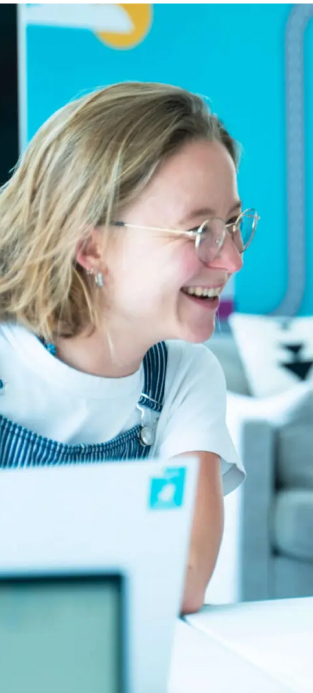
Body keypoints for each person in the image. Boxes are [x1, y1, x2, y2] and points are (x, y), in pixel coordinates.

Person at [0, 82, 258, 613]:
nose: (232, 260)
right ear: (91, 247)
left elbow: (183, 580)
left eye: (232, 225)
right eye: (199, 231)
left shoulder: (184, 375)